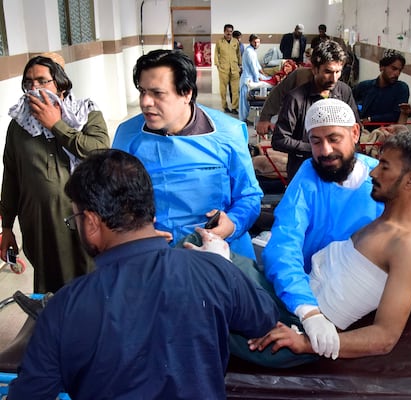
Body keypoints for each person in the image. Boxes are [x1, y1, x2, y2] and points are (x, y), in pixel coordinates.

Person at [8, 149, 278, 399]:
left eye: (75, 219)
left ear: (91, 223)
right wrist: (225, 263)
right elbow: (263, 318)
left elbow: (30, 394)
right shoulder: (214, 271)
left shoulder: (65, 308)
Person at [245, 127, 411, 363]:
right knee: (210, 259)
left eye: (385, 167)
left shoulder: (408, 244)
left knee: (209, 278)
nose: (373, 173)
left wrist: (305, 344)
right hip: (293, 307)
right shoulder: (385, 220)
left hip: (299, 331)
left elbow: (385, 337)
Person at [260, 99, 384, 361]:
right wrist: (308, 310)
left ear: (354, 133)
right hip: (308, 292)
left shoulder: (382, 180)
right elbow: (284, 245)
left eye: (334, 138)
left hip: (364, 304)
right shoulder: (309, 175)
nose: (325, 150)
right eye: (316, 141)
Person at [113, 49, 262, 260]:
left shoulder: (227, 132)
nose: (145, 102)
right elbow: (113, 198)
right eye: (142, 91)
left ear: (187, 93)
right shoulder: (128, 136)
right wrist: (133, 232)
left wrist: (233, 224)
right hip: (154, 253)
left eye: (157, 93)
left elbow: (249, 195)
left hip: (220, 249)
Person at [0, 53, 110, 293]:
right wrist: (6, 226)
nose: (34, 88)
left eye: (42, 81)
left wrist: (56, 125)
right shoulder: (19, 125)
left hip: (85, 221)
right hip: (40, 224)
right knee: (49, 291)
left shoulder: (85, 113)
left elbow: (99, 151)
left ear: (60, 84)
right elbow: (11, 176)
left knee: (90, 284)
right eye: (28, 83)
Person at [271, 40, 359, 180]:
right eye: (328, 72)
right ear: (314, 69)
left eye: (338, 72)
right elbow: (279, 140)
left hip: (339, 172)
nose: (334, 78)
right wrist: (316, 148)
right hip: (305, 173)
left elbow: (354, 132)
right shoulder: (296, 99)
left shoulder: (344, 92)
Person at [352, 49, 410, 127]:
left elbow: (396, 114)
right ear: (381, 67)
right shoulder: (364, 86)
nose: (397, 73)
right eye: (394, 68)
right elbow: (350, 103)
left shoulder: (401, 89)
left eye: (400, 70)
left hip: (386, 133)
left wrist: (370, 119)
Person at [255, 66, 313, 137]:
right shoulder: (301, 75)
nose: (330, 78)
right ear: (315, 68)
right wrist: (265, 118)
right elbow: (278, 93)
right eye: (327, 71)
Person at [239, 34, 271, 123]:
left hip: (251, 78)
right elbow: (253, 68)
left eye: (258, 42)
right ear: (251, 42)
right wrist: (258, 81)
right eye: (255, 42)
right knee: (244, 102)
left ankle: (244, 118)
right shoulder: (249, 52)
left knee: (245, 102)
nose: (257, 44)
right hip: (248, 80)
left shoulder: (252, 51)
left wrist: (264, 75)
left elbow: (257, 66)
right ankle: (243, 120)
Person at [214, 23, 241, 114]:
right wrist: (218, 65)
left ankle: (234, 107)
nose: (229, 33)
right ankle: (225, 106)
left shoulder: (235, 42)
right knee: (223, 89)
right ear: (224, 32)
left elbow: (238, 54)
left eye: (230, 31)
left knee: (235, 89)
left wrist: (240, 65)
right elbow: (216, 54)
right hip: (223, 69)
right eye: (227, 31)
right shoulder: (219, 42)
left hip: (234, 69)